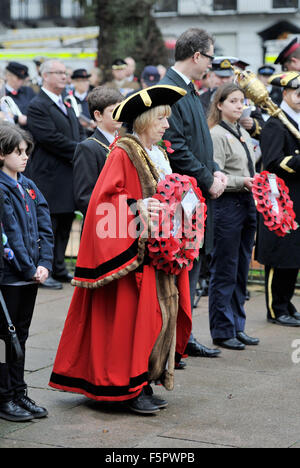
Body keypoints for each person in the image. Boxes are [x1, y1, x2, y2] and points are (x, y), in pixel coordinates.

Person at [49, 85, 192, 415]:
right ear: (144, 120)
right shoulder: (122, 151)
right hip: (131, 258)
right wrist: (137, 207)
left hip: (156, 253)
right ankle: (125, 389)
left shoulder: (156, 152)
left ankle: (144, 381)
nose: (167, 125)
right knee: (131, 325)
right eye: (162, 119)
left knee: (154, 321)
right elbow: (101, 205)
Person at [160, 27, 226, 358]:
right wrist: (207, 177)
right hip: (181, 198)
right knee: (180, 273)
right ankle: (171, 342)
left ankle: (182, 337)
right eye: (210, 58)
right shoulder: (168, 90)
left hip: (195, 193)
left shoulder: (187, 88)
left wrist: (213, 168)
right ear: (197, 55)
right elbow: (176, 147)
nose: (210, 66)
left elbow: (200, 142)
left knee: (192, 269)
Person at [0, 124, 53, 422]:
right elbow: (8, 236)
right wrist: (29, 267)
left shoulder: (29, 186)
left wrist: (44, 262)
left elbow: (45, 226)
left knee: (21, 334)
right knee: (5, 339)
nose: (24, 158)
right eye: (17, 152)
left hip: (30, 275)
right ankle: (4, 396)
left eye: (25, 152)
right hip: (9, 276)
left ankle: (19, 391)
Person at [207, 83, 259, 350]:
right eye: (234, 101)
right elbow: (215, 176)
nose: (240, 106)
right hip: (227, 204)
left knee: (241, 268)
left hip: (246, 202)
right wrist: (244, 181)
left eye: (242, 101)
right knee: (225, 268)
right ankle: (222, 329)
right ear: (220, 105)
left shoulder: (242, 132)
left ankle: (238, 325)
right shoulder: (216, 134)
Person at [27, 59, 84, 290]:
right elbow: (49, 138)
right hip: (48, 176)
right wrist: (81, 149)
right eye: (58, 73)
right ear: (45, 76)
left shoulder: (66, 102)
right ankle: (44, 269)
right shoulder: (37, 105)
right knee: (47, 226)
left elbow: (77, 130)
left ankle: (59, 267)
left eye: (65, 72)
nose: (64, 76)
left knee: (65, 222)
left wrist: (82, 144)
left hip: (68, 174)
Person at [255, 72, 300, 327]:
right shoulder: (275, 124)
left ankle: (288, 302)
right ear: (284, 93)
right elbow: (272, 162)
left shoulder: (296, 121)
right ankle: (276, 307)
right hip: (281, 199)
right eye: (297, 93)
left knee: (294, 254)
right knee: (280, 254)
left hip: (298, 196)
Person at [73, 86, 124, 217]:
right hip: (103, 223)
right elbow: (84, 197)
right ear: (98, 115)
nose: (119, 115)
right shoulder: (88, 147)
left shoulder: (124, 143)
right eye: (113, 111)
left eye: (121, 110)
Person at [2, 62, 36, 128]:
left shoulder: (28, 91)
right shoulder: (2, 93)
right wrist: (17, 118)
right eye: (18, 78)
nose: (21, 81)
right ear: (8, 76)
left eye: (23, 78)